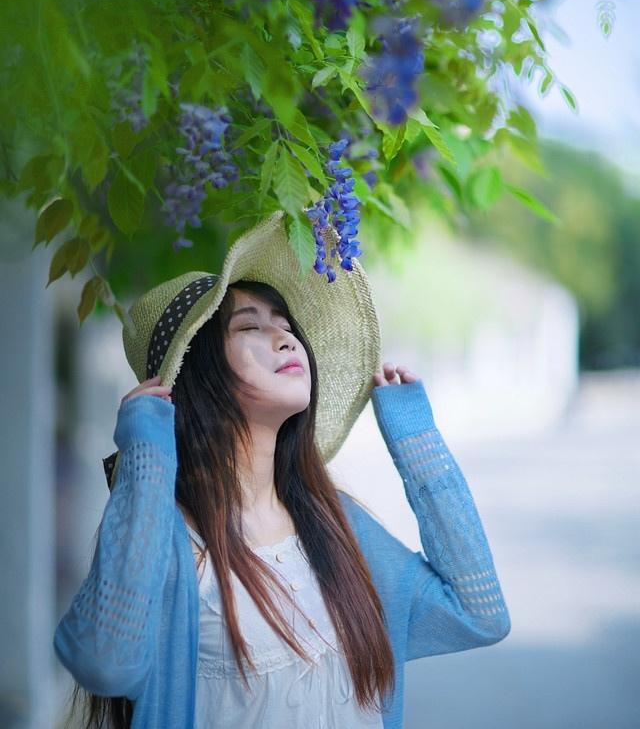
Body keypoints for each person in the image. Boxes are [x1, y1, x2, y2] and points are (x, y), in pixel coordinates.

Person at [53, 209, 511, 729]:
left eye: (287, 327)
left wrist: (414, 439)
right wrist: (145, 455)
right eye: (250, 325)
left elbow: (480, 614)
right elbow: (103, 661)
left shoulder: (335, 526)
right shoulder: (176, 541)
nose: (287, 339)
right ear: (199, 375)